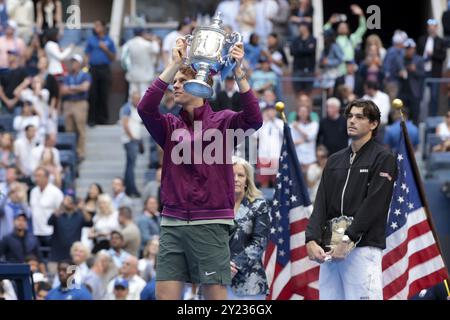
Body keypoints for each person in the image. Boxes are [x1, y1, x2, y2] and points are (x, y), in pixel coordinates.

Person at [137, 37, 262, 300]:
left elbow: (254, 119)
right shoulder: (169, 125)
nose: (176, 86)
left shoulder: (224, 122)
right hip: (172, 222)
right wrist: (174, 64)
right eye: (174, 82)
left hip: (211, 222)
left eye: (182, 81)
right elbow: (146, 108)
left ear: (201, 85)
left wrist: (238, 72)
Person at [305, 99, 397, 300]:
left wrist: (349, 239)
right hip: (330, 251)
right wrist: (311, 238)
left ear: (373, 124)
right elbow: (320, 202)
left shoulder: (384, 158)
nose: (352, 121)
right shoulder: (334, 160)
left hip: (362, 248)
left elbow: (375, 204)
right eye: (350, 116)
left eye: (360, 117)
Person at [228, 156, 269, 299]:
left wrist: (234, 265)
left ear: (247, 180)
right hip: (216, 279)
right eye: (231, 175)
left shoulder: (259, 205)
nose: (235, 179)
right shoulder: (214, 205)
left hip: (249, 282)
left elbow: (259, 242)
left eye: (240, 175)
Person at [60, 54, 91, 161]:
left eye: (75, 62)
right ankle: (71, 152)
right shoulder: (67, 76)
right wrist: (77, 88)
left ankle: (80, 152)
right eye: (72, 62)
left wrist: (71, 88)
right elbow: (63, 90)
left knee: (80, 128)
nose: (73, 64)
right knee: (69, 129)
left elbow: (85, 88)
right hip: (68, 103)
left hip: (80, 103)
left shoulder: (85, 75)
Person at [85, 20, 116, 126]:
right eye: (95, 25)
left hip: (104, 69)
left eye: (98, 25)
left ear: (103, 27)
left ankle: (102, 120)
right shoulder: (91, 40)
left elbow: (113, 57)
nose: (95, 27)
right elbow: (87, 55)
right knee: (92, 94)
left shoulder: (109, 40)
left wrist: (105, 49)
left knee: (104, 94)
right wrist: (85, 68)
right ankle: (91, 119)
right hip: (93, 69)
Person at [47, 191, 93, 262]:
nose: (70, 202)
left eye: (72, 200)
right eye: (68, 199)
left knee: (72, 272)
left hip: (74, 255)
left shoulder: (79, 215)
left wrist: (83, 208)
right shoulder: (58, 214)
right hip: (57, 254)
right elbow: (49, 222)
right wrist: (61, 206)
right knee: (55, 272)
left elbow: (90, 223)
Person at [417, 18, 447, 117]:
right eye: (430, 27)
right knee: (421, 96)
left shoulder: (440, 41)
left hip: (434, 73)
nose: (431, 29)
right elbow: (417, 55)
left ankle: (432, 117)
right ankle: (420, 117)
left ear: (436, 28)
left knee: (434, 97)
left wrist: (433, 54)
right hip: (423, 72)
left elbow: (443, 57)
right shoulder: (422, 39)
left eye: (433, 27)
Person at [30, 166, 64, 249]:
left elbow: (61, 211)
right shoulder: (33, 191)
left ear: (47, 177)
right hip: (35, 231)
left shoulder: (55, 192)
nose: (36, 178)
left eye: (39, 176)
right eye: (35, 176)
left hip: (50, 232)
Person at [121, 28, 160, 98]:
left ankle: (132, 108)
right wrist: (154, 40)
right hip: (145, 74)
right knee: (144, 95)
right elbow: (156, 50)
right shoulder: (146, 44)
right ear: (142, 33)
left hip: (133, 74)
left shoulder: (128, 43)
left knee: (132, 94)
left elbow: (123, 58)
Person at [120, 91, 143, 198]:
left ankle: (127, 188)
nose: (137, 101)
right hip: (130, 140)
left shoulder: (137, 109)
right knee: (131, 166)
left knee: (130, 165)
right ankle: (132, 189)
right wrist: (132, 137)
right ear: (131, 98)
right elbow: (125, 124)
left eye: (138, 99)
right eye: (135, 98)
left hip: (135, 139)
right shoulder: (127, 108)